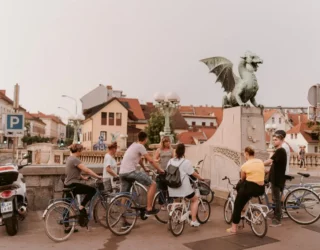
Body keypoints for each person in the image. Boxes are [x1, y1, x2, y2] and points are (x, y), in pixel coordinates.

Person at [119, 131, 165, 217]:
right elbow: (151, 160)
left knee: (124, 195)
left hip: (122, 172)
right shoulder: (141, 146)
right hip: (130, 172)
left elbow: (139, 159)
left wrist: (144, 168)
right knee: (153, 184)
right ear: (146, 139)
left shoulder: (133, 145)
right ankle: (149, 208)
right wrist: (160, 169)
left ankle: (122, 218)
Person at [64, 144, 102, 232]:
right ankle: (82, 207)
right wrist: (97, 176)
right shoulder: (75, 159)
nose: (81, 152)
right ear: (78, 151)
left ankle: (66, 227)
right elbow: (87, 170)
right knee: (92, 190)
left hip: (67, 184)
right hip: (73, 184)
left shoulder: (69, 158)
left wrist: (83, 178)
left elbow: (74, 171)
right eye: (81, 151)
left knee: (67, 205)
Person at [227, 146, 265, 233]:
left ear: (246, 154)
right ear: (254, 154)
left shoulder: (245, 165)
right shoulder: (260, 162)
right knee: (245, 194)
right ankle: (245, 207)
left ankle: (233, 229)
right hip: (261, 189)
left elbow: (242, 178)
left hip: (250, 188)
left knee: (237, 205)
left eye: (244, 154)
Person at [167, 143, 204, 227]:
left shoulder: (170, 161)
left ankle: (173, 218)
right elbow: (193, 173)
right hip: (183, 188)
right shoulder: (186, 162)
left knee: (175, 201)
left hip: (172, 187)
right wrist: (201, 177)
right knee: (195, 200)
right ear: (184, 152)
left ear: (175, 151)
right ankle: (193, 220)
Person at [264, 131, 287, 227]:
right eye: (273, 140)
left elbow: (269, 161)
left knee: (276, 199)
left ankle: (277, 219)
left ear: (281, 140)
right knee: (275, 198)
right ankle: (275, 215)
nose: (274, 141)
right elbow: (273, 164)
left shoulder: (280, 151)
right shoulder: (278, 151)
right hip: (275, 178)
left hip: (277, 179)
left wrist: (256, 164)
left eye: (276, 140)